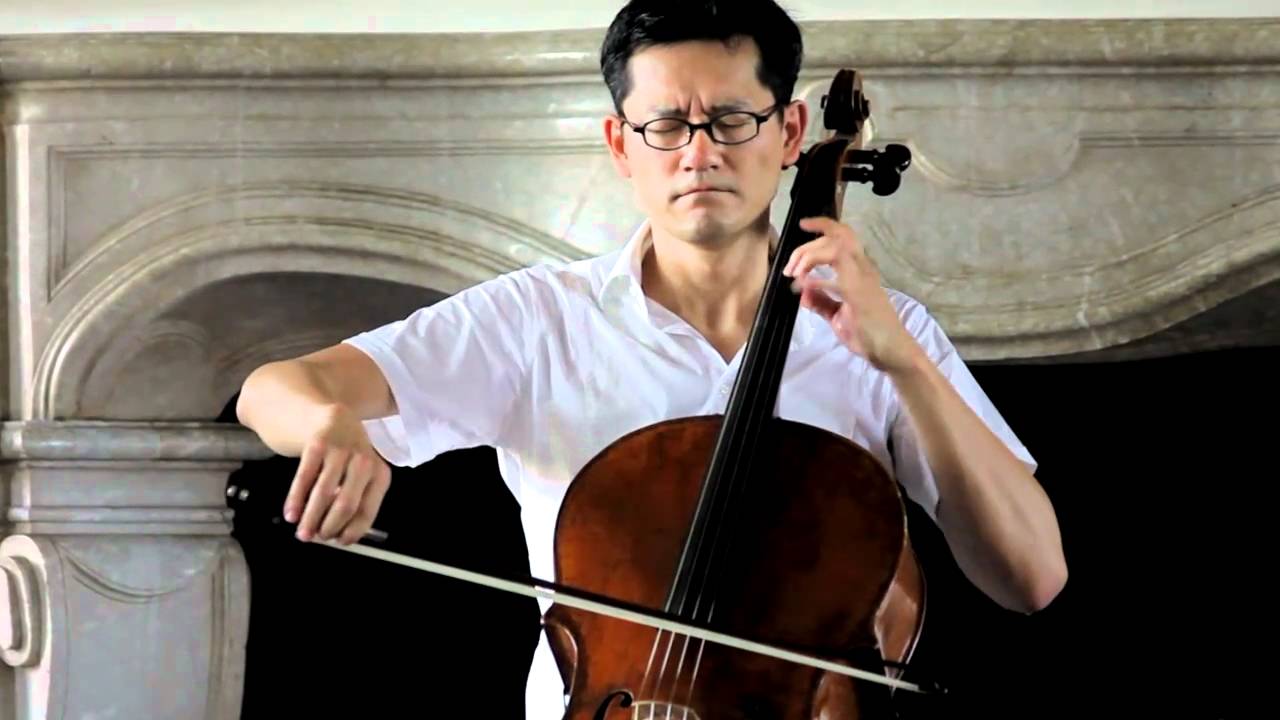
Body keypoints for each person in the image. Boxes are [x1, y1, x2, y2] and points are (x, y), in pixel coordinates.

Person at [235, 0, 1067, 717]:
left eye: (731, 121)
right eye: (665, 126)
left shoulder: (886, 329)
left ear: (789, 133)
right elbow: (272, 390)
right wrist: (330, 419)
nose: (699, 154)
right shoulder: (538, 319)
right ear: (620, 143)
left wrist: (904, 364)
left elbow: (1031, 579)